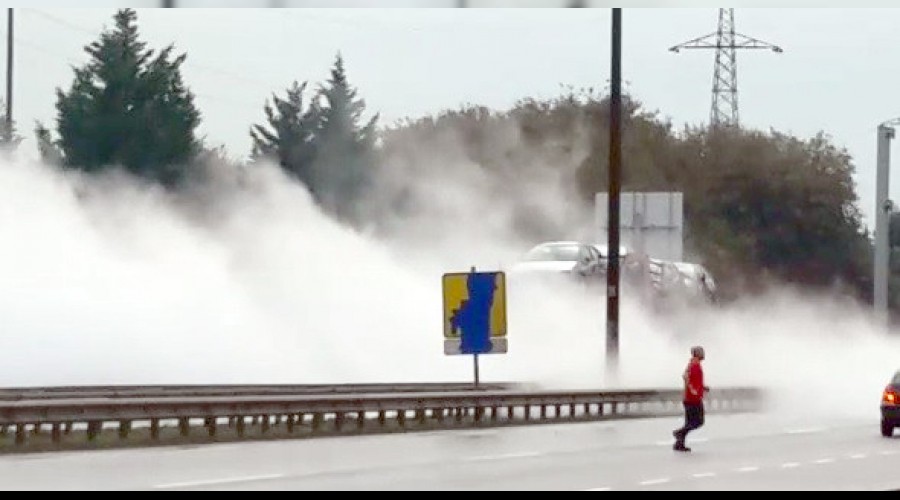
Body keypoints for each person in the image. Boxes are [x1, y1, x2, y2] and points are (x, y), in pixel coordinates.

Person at [673, 346, 709, 452]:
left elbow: (691, 378)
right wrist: (692, 389)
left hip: (690, 398)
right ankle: (679, 433)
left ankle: (679, 444)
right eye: (702, 352)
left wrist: (703, 387)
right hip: (693, 399)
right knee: (698, 421)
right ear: (697, 354)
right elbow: (686, 377)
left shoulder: (693, 364)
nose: (704, 354)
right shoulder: (694, 365)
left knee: (689, 423)